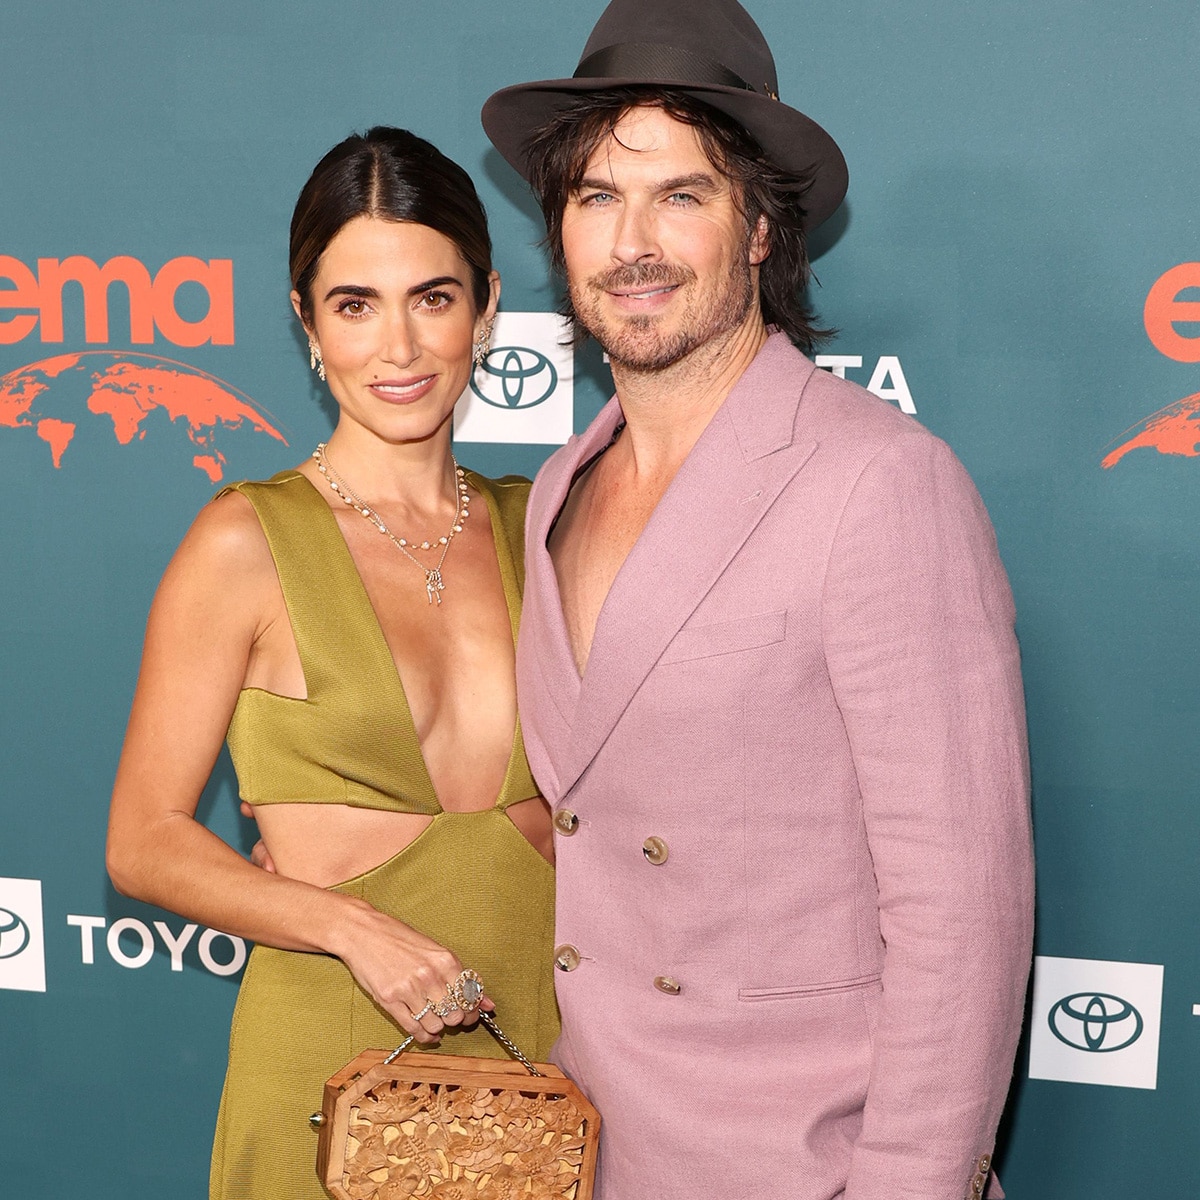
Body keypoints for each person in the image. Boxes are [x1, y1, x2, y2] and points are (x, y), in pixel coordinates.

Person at [481, 2, 1034, 1198]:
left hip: (806, 1164)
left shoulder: (878, 482)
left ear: (761, 228)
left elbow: (964, 913)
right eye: (597, 197)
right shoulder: (558, 491)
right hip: (603, 1151)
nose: (633, 242)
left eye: (680, 195)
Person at [106, 126, 559, 1200]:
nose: (398, 347)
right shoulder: (245, 542)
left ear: (486, 307)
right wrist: (351, 927)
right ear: (308, 323)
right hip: (328, 1059)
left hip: (538, 1062)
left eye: (433, 298)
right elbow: (143, 840)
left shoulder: (545, 527)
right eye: (355, 305)